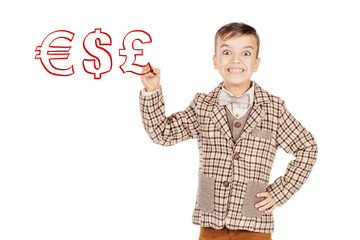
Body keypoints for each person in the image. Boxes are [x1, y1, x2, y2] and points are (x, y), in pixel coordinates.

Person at [138, 22, 318, 240]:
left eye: (245, 53)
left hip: (254, 220)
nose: (235, 60)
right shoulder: (202, 106)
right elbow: (162, 133)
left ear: (256, 63)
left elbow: (307, 147)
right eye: (226, 52)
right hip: (211, 221)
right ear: (215, 60)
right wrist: (152, 90)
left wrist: (279, 193)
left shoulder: (274, 108)